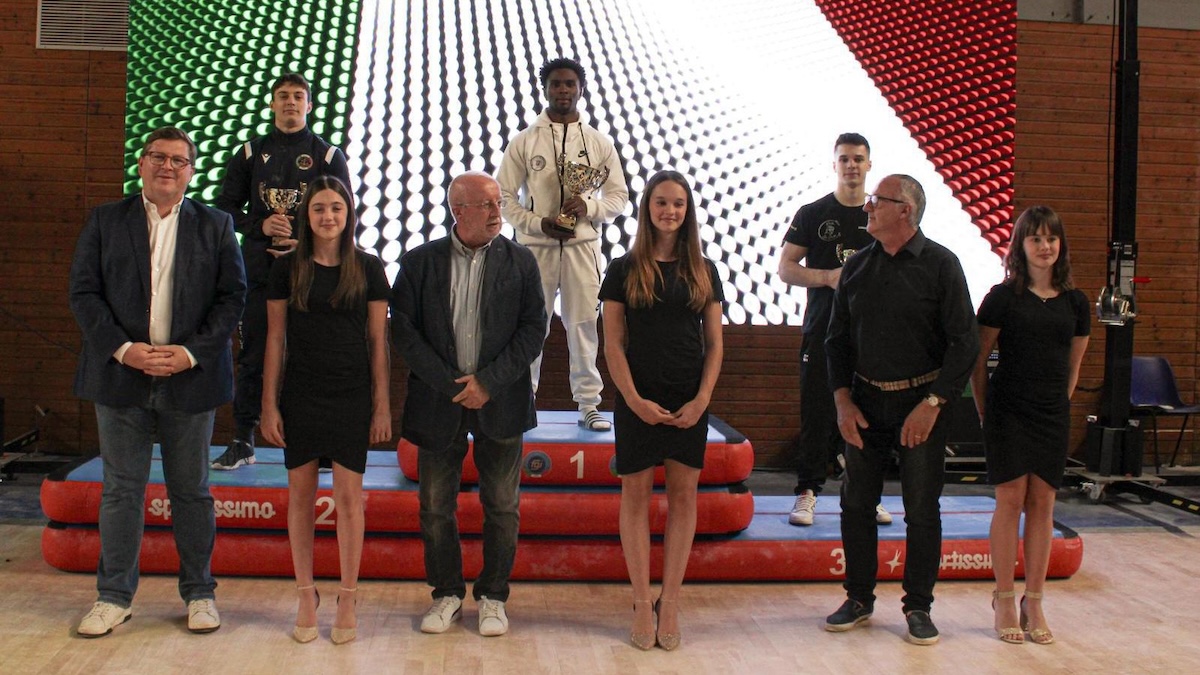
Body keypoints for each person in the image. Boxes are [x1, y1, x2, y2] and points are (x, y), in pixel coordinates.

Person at [68, 127, 247, 637]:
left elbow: (233, 298)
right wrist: (124, 349)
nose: (167, 166)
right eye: (158, 157)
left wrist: (189, 354)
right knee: (121, 491)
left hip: (190, 379)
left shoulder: (216, 225)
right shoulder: (105, 220)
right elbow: (83, 292)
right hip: (120, 376)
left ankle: (200, 593)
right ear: (142, 164)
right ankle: (113, 597)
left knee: (191, 492)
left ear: (191, 171)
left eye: (178, 160)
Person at [824, 174, 978, 645]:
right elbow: (836, 342)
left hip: (922, 403)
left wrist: (933, 404)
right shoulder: (856, 266)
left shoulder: (942, 265)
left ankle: (918, 606)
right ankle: (858, 598)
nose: (867, 207)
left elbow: (965, 343)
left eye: (877, 200)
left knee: (922, 508)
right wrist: (843, 402)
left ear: (905, 210)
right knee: (855, 504)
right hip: (865, 401)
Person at [390, 172, 546, 637]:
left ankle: (494, 596)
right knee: (436, 506)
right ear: (459, 211)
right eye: (488, 205)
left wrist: (488, 383)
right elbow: (404, 332)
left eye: (500, 203)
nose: (499, 212)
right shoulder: (418, 263)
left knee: (502, 505)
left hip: (502, 399)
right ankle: (447, 594)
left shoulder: (521, 262)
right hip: (439, 400)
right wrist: (453, 384)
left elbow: (533, 330)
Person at [259, 176, 391, 645]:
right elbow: (275, 339)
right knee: (300, 498)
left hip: (352, 396)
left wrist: (381, 405)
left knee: (349, 500)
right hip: (301, 394)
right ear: (306, 215)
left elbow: (378, 342)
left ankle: (348, 598)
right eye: (319, 208)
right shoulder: (286, 269)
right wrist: (268, 404)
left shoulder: (369, 267)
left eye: (336, 207)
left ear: (348, 213)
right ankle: (305, 594)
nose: (328, 216)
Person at [600, 171, 724, 651]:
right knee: (634, 497)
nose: (670, 211)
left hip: (688, 399)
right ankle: (639, 601)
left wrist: (701, 400)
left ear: (687, 211)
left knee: (683, 498)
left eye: (678, 204)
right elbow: (613, 345)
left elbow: (714, 345)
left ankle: (668, 601)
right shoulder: (623, 268)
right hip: (638, 398)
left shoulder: (704, 270)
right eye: (661, 202)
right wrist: (634, 401)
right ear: (647, 209)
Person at [212, 72, 352, 469]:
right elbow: (224, 208)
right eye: (283, 95)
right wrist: (259, 225)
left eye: (298, 96)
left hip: (311, 272)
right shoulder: (249, 153)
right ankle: (243, 439)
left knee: (314, 357)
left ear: (309, 105)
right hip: (259, 273)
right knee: (253, 356)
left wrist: (304, 239)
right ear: (272, 104)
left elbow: (343, 213)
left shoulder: (328, 156)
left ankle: (320, 443)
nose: (290, 102)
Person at [971, 206, 1089, 645]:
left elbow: (1073, 365)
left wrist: (1057, 404)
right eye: (1035, 238)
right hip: (1007, 410)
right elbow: (978, 362)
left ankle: (1034, 601)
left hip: (1051, 413)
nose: (1045, 246)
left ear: (1061, 245)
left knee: (1043, 503)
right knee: (1009, 500)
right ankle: (1003, 598)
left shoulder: (1076, 302)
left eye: (1051, 238)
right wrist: (985, 411)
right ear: (1020, 245)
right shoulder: (1002, 298)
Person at [497, 57, 629, 431]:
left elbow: (618, 197)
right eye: (556, 83)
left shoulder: (599, 143)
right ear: (546, 89)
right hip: (534, 250)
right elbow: (503, 197)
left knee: (583, 325)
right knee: (530, 327)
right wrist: (538, 223)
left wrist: (589, 207)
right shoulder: (525, 141)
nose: (563, 90)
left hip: (581, 248)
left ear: (580, 88)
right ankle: (522, 403)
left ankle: (589, 404)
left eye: (570, 83)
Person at [777, 133, 891, 527]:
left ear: (869, 164)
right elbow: (786, 268)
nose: (852, 165)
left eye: (858, 158)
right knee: (817, 412)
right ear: (834, 164)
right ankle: (807, 492)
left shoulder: (882, 216)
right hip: (823, 330)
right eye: (845, 159)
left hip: (870, 336)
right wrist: (827, 277)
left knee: (870, 416)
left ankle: (868, 494)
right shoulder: (813, 213)